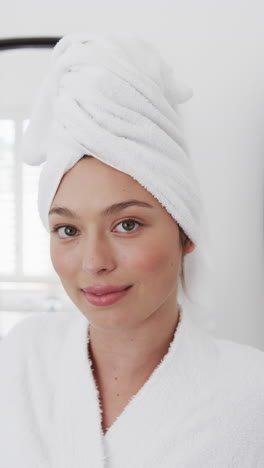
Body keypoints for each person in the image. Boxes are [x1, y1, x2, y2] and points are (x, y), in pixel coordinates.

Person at [0, 32, 264, 468]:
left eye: (127, 224)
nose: (93, 263)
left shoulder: (251, 393)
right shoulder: (21, 357)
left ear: (186, 230)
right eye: (67, 229)